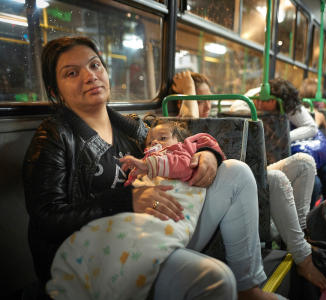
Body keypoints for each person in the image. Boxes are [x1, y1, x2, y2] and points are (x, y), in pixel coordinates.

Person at [23, 36, 279, 300]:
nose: (90, 76)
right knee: (214, 279)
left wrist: (207, 154)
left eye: (95, 65)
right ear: (55, 92)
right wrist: (126, 200)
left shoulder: (131, 127)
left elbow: (174, 145)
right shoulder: (54, 136)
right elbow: (47, 217)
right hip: (102, 255)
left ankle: (248, 288)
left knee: (235, 172)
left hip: (154, 230)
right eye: (72, 73)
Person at [173, 72, 326, 291]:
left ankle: (302, 238)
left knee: (304, 163)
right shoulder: (172, 132)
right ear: (186, 101)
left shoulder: (218, 120)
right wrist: (188, 91)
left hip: (235, 179)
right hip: (222, 189)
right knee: (276, 178)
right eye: (200, 100)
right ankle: (301, 255)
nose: (208, 105)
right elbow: (186, 128)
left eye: (210, 98)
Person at [46, 119, 226, 299]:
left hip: (171, 207)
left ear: (180, 141)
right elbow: (135, 194)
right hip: (141, 210)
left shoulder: (180, 153)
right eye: (149, 142)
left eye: (162, 138)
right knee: (99, 234)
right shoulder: (142, 163)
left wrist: (149, 166)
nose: (155, 142)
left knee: (139, 244)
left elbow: (184, 166)